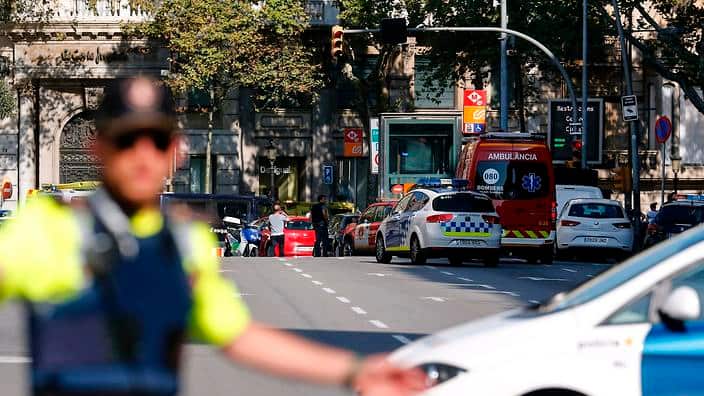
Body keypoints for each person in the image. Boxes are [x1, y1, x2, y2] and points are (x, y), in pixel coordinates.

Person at [0, 77, 425, 396]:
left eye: (156, 138)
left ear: (175, 149)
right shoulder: (48, 228)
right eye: (127, 139)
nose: (143, 154)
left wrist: (355, 371)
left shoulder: (186, 243)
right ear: (100, 148)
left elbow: (237, 336)